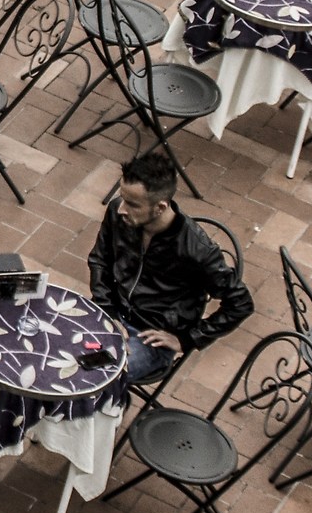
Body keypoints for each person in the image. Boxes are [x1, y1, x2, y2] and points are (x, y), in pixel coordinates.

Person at [88, 152, 253, 387]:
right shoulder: (118, 213)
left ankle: (106, 412)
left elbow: (241, 303)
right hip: (110, 311)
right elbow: (100, 260)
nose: (122, 208)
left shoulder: (197, 250)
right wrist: (108, 312)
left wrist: (187, 339)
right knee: (55, 350)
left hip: (150, 338)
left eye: (133, 204)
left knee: (95, 376)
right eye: (122, 197)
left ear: (160, 207)